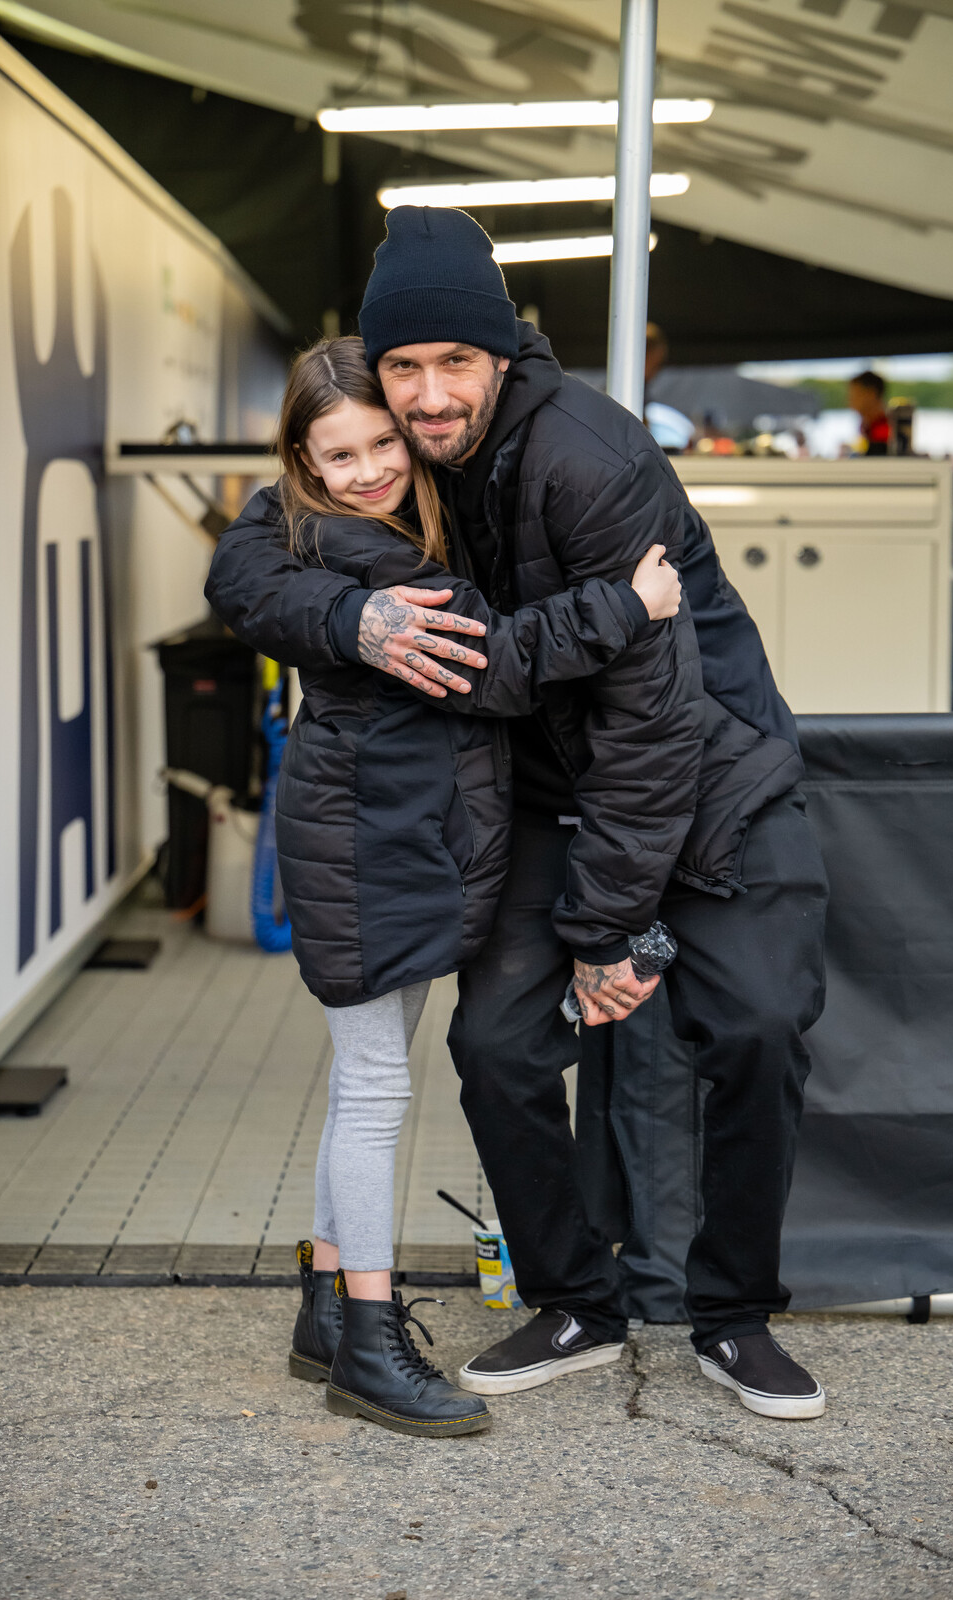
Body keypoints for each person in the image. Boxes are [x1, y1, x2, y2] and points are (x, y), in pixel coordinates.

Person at [207, 207, 829, 1422]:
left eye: (454, 362)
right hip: (541, 788)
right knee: (493, 1045)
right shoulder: (390, 445)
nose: (428, 396)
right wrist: (346, 619)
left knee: (756, 1026)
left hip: (710, 775)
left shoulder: (587, 458)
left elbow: (648, 725)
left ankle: (734, 1313)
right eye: (404, 367)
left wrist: (612, 929)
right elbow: (248, 561)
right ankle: (574, 1298)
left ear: (501, 352)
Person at [211, 335, 682, 1439]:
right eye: (340, 454)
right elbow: (494, 665)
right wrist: (623, 607)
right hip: (371, 849)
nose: (372, 467)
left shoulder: (376, 525)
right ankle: (369, 1344)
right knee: (376, 1088)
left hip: (395, 841)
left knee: (361, 1083)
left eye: (383, 442)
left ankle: (328, 1310)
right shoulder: (365, 556)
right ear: (302, 461)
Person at [848, 370, 890, 456]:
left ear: (871, 394)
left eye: (856, 395)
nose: (850, 402)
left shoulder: (884, 431)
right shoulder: (868, 428)